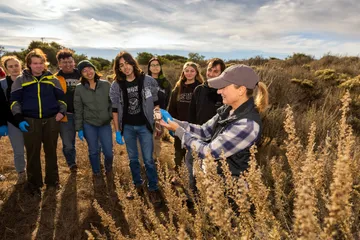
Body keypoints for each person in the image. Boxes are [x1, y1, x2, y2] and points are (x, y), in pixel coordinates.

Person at [160, 64, 269, 179]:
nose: (219, 91)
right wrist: (171, 120)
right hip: (214, 184)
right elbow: (203, 131)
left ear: (241, 90)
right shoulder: (227, 110)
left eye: (224, 87)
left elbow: (208, 152)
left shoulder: (247, 125)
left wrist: (178, 131)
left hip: (231, 191)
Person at [10, 48, 66, 196]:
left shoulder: (52, 79)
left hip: (51, 120)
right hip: (30, 121)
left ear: (44, 64)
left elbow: (62, 99)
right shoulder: (20, 80)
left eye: (41, 63)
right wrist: (19, 119)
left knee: (51, 152)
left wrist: (61, 112)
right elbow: (14, 102)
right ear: (29, 64)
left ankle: (52, 182)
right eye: (35, 63)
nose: (38, 66)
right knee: (33, 154)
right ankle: (34, 185)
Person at [110, 51, 162, 205]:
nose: (125, 67)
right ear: (118, 68)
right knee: (133, 159)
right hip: (128, 128)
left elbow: (156, 104)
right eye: (121, 65)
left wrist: (157, 123)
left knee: (148, 160)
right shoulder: (116, 85)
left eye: (127, 63)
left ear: (133, 63)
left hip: (145, 126)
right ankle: (137, 185)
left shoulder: (147, 81)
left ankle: (153, 189)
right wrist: (117, 131)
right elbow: (114, 110)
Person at [73, 60, 113, 178]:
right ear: (81, 74)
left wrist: (109, 115)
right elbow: (78, 109)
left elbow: (112, 103)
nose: (88, 72)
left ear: (94, 69)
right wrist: (79, 128)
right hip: (89, 124)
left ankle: (109, 169)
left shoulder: (106, 85)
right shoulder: (79, 89)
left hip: (105, 124)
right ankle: (96, 172)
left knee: (108, 152)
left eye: (89, 68)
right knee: (94, 151)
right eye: (84, 71)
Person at [167, 62, 204, 183]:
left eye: (192, 71)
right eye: (186, 70)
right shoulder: (177, 88)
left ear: (196, 73)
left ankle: (194, 182)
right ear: (183, 72)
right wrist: (171, 126)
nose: (189, 73)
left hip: (195, 128)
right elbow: (171, 109)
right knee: (179, 153)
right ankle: (178, 177)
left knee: (194, 156)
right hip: (179, 127)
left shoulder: (200, 88)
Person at [0, 56, 26, 184]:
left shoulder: (28, 80)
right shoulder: (2, 84)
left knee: (33, 150)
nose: (14, 68)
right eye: (10, 66)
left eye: (16, 65)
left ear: (20, 66)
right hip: (12, 122)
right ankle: (21, 173)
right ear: (6, 69)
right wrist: (3, 123)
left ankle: (34, 174)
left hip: (30, 120)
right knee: (18, 150)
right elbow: (1, 105)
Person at [55, 49, 81, 172]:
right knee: (68, 144)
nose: (68, 64)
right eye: (64, 62)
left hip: (83, 115)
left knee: (94, 141)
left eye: (70, 61)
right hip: (66, 116)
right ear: (59, 64)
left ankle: (97, 163)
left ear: (74, 62)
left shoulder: (81, 74)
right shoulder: (55, 78)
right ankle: (72, 164)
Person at [147, 57, 172, 160]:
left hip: (159, 115)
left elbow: (167, 101)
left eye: (157, 65)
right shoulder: (144, 81)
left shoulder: (165, 83)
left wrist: (160, 117)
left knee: (157, 138)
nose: (155, 67)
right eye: (152, 65)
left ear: (161, 67)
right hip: (145, 114)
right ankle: (145, 161)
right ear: (149, 67)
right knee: (146, 138)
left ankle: (155, 161)